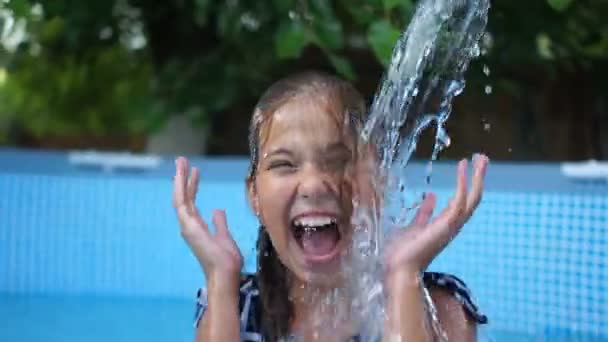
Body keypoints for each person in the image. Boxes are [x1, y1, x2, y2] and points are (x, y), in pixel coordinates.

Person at [173, 71, 489, 342]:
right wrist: (219, 277)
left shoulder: (440, 304)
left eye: (338, 161)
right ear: (254, 194)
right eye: (285, 164)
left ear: (377, 182)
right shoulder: (235, 306)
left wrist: (404, 275)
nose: (313, 185)